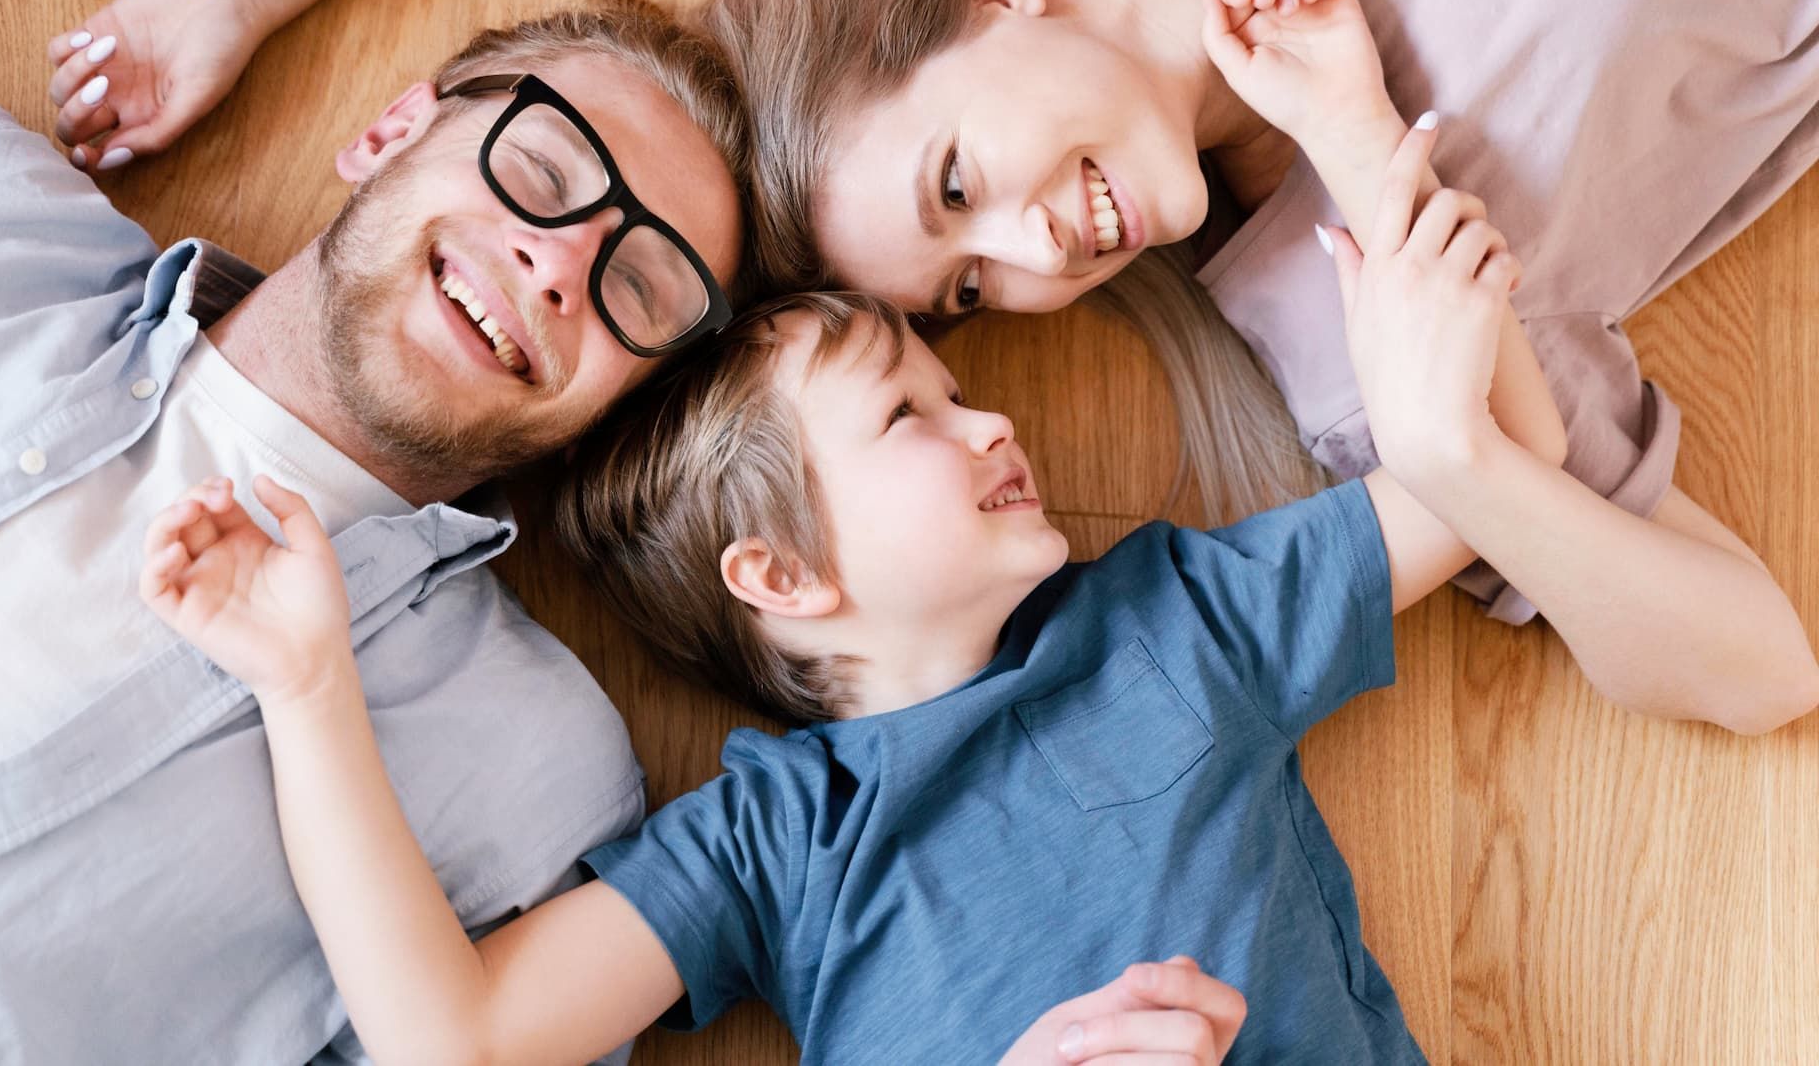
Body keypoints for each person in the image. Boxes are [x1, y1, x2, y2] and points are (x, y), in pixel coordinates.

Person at [58, 0, 1819, 730]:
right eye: (976, 283)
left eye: (958, 185)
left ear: (993, 1)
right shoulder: (1359, 298)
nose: (1048, 257)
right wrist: (1465, 454)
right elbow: (1756, 665)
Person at [137, 97, 1619, 1062]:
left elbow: (1495, 479)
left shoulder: (1171, 624)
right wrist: (308, 684)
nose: (993, 421)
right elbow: (453, 1039)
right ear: (779, 572)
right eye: (913, 416)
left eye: (955, 392)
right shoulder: (777, 838)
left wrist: (1364, 150)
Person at [0, 0, 750, 1064]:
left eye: (638, 285)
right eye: (538, 168)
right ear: (387, 135)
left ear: (608, 404)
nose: (558, 260)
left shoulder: (530, 770)